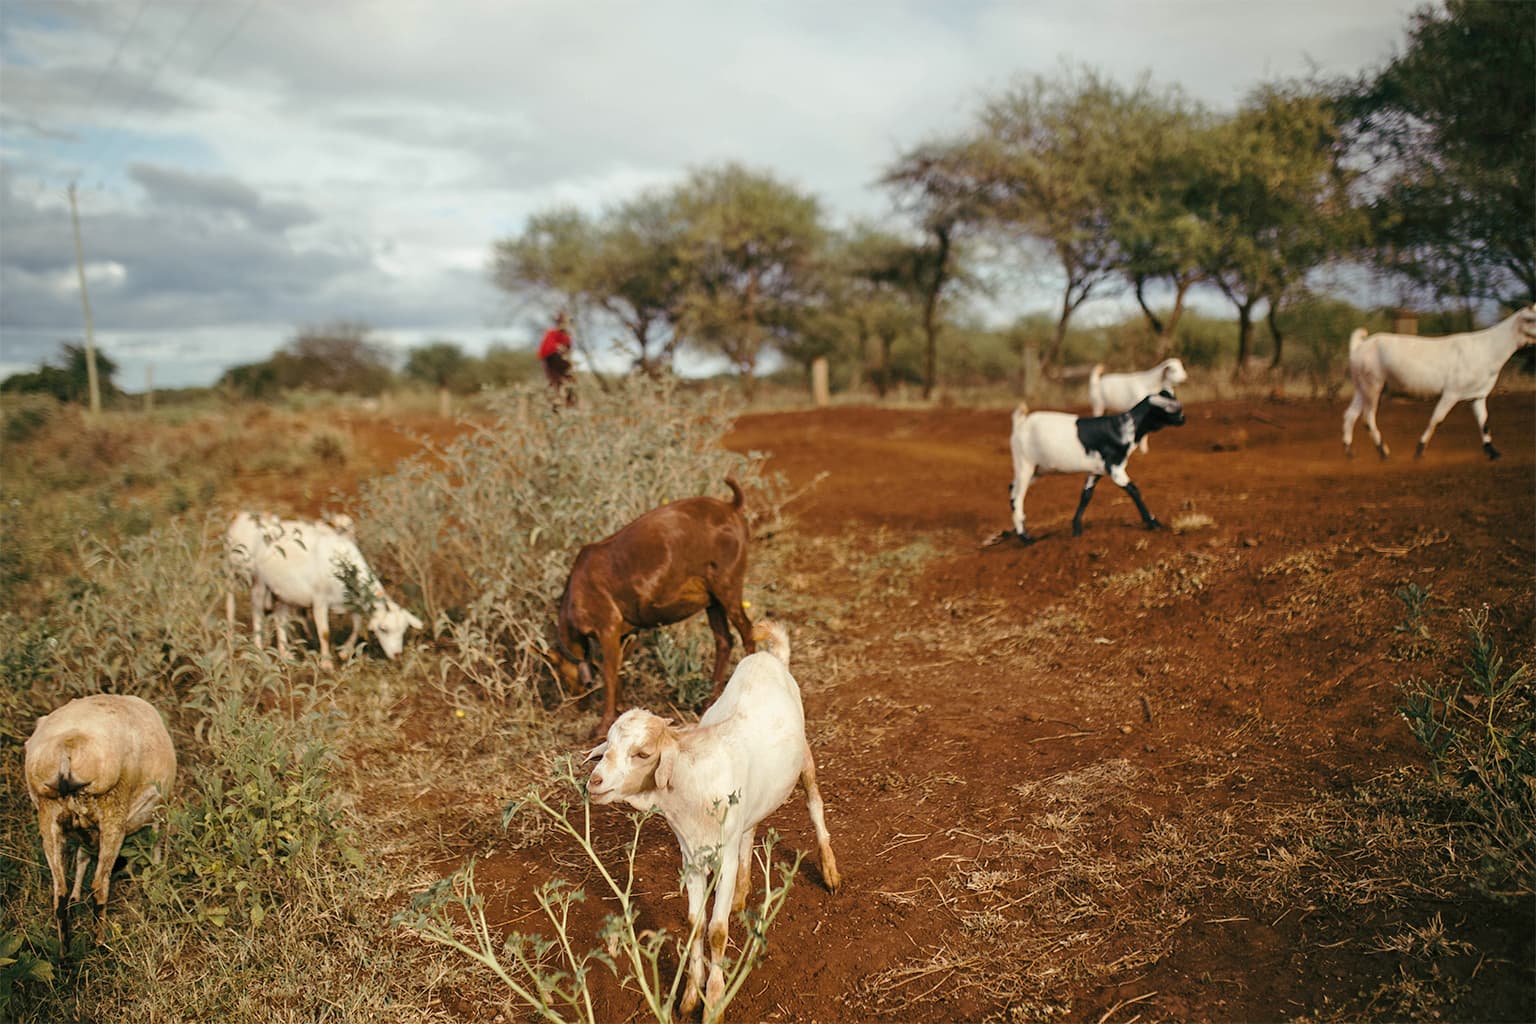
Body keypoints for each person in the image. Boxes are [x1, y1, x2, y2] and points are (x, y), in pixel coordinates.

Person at [538, 311, 576, 404]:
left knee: (570, 387)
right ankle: (556, 409)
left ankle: (569, 407)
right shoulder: (551, 333)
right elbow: (544, 352)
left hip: (564, 365)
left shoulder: (567, 336)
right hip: (552, 364)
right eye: (563, 321)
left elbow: (568, 352)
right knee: (555, 387)